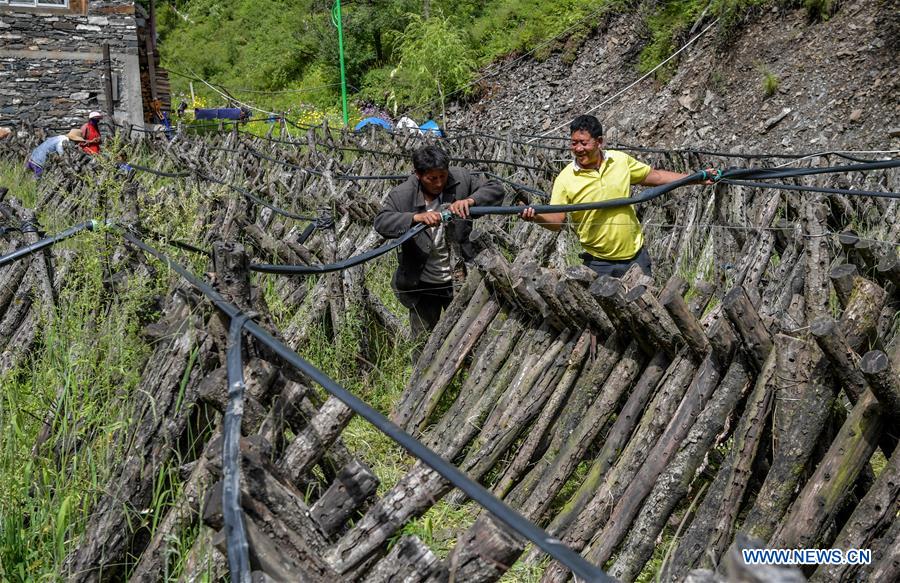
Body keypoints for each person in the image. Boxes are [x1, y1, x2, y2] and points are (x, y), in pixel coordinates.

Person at [521, 114, 711, 278]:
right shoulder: (565, 178)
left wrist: (696, 178)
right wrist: (536, 216)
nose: (578, 149)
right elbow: (556, 221)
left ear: (599, 142)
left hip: (636, 257)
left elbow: (656, 176)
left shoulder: (619, 161)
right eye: (574, 143)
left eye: (584, 143)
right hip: (599, 264)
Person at [374, 145, 503, 346]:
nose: (439, 183)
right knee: (423, 343)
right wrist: (416, 218)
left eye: (442, 176)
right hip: (422, 284)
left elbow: (495, 189)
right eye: (432, 179)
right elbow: (382, 222)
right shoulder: (402, 195)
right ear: (418, 174)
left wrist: (470, 200)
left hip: (460, 279)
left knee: (468, 341)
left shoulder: (460, 179)